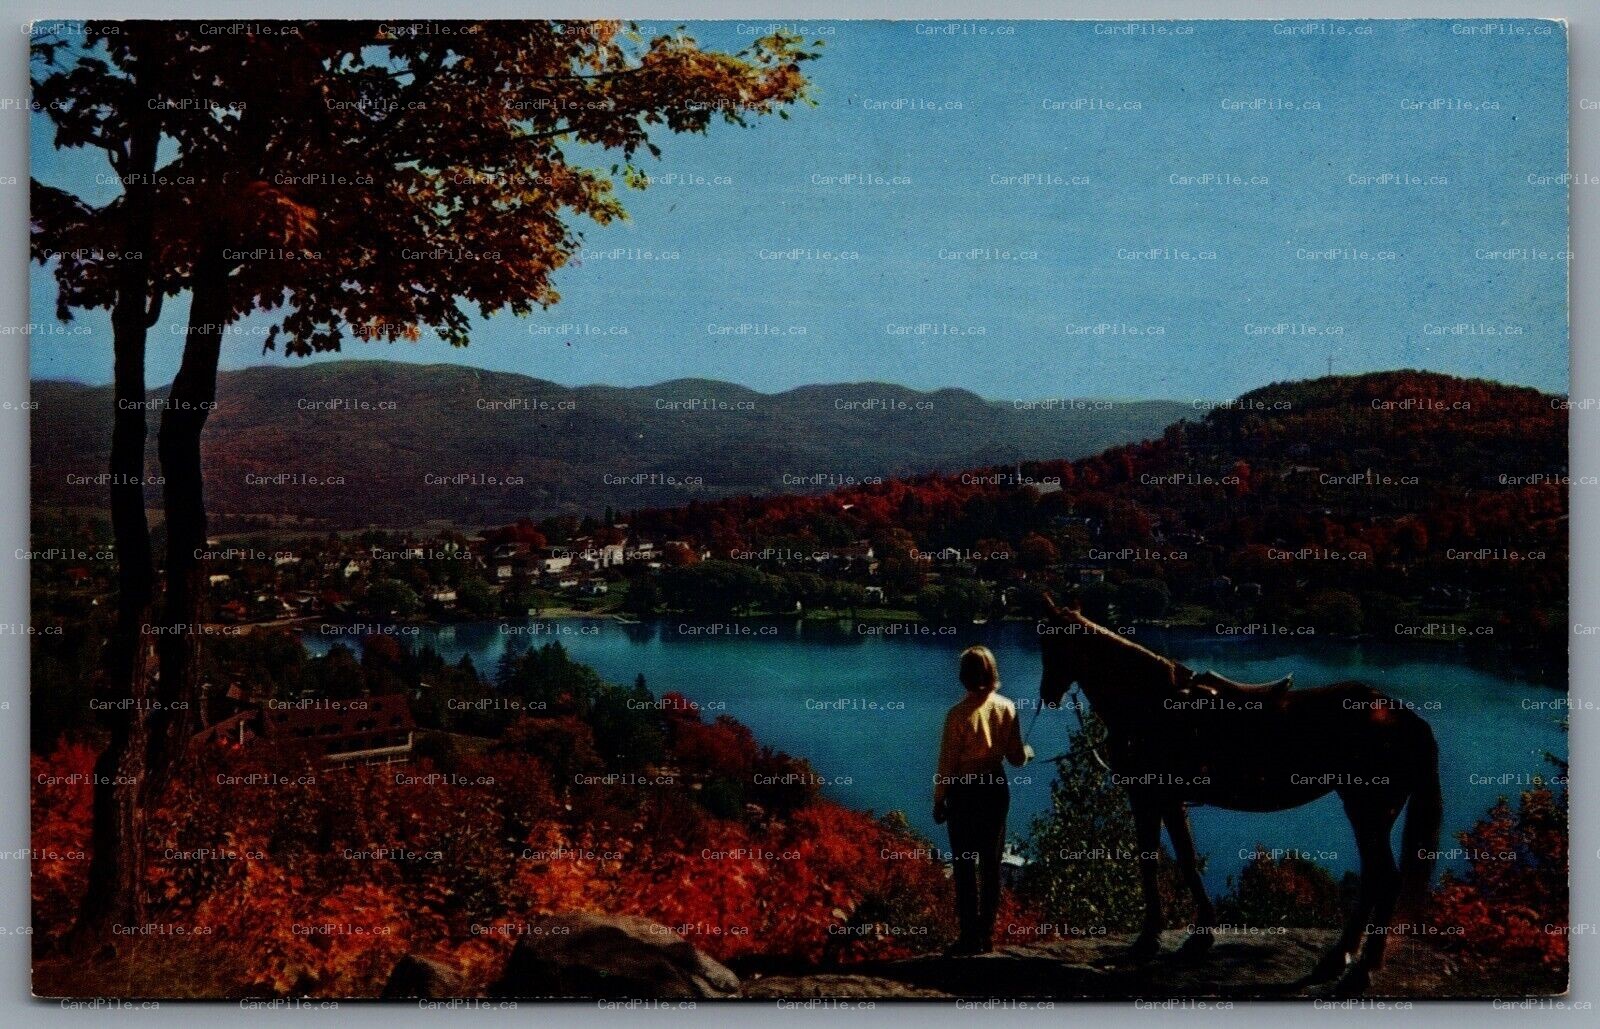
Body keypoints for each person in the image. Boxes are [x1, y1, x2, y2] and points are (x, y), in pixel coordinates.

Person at [933, 645, 1032, 955]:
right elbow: (1016, 758)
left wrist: (939, 799)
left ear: (964, 677)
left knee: (964, 865)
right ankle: (986, 935)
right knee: (991, 865)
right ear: (992, 674)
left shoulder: (957, 715)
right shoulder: (1007, 708)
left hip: (964, 792)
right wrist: (1028, 753)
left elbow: (947, 763)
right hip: (994, 788)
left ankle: (967, 936)